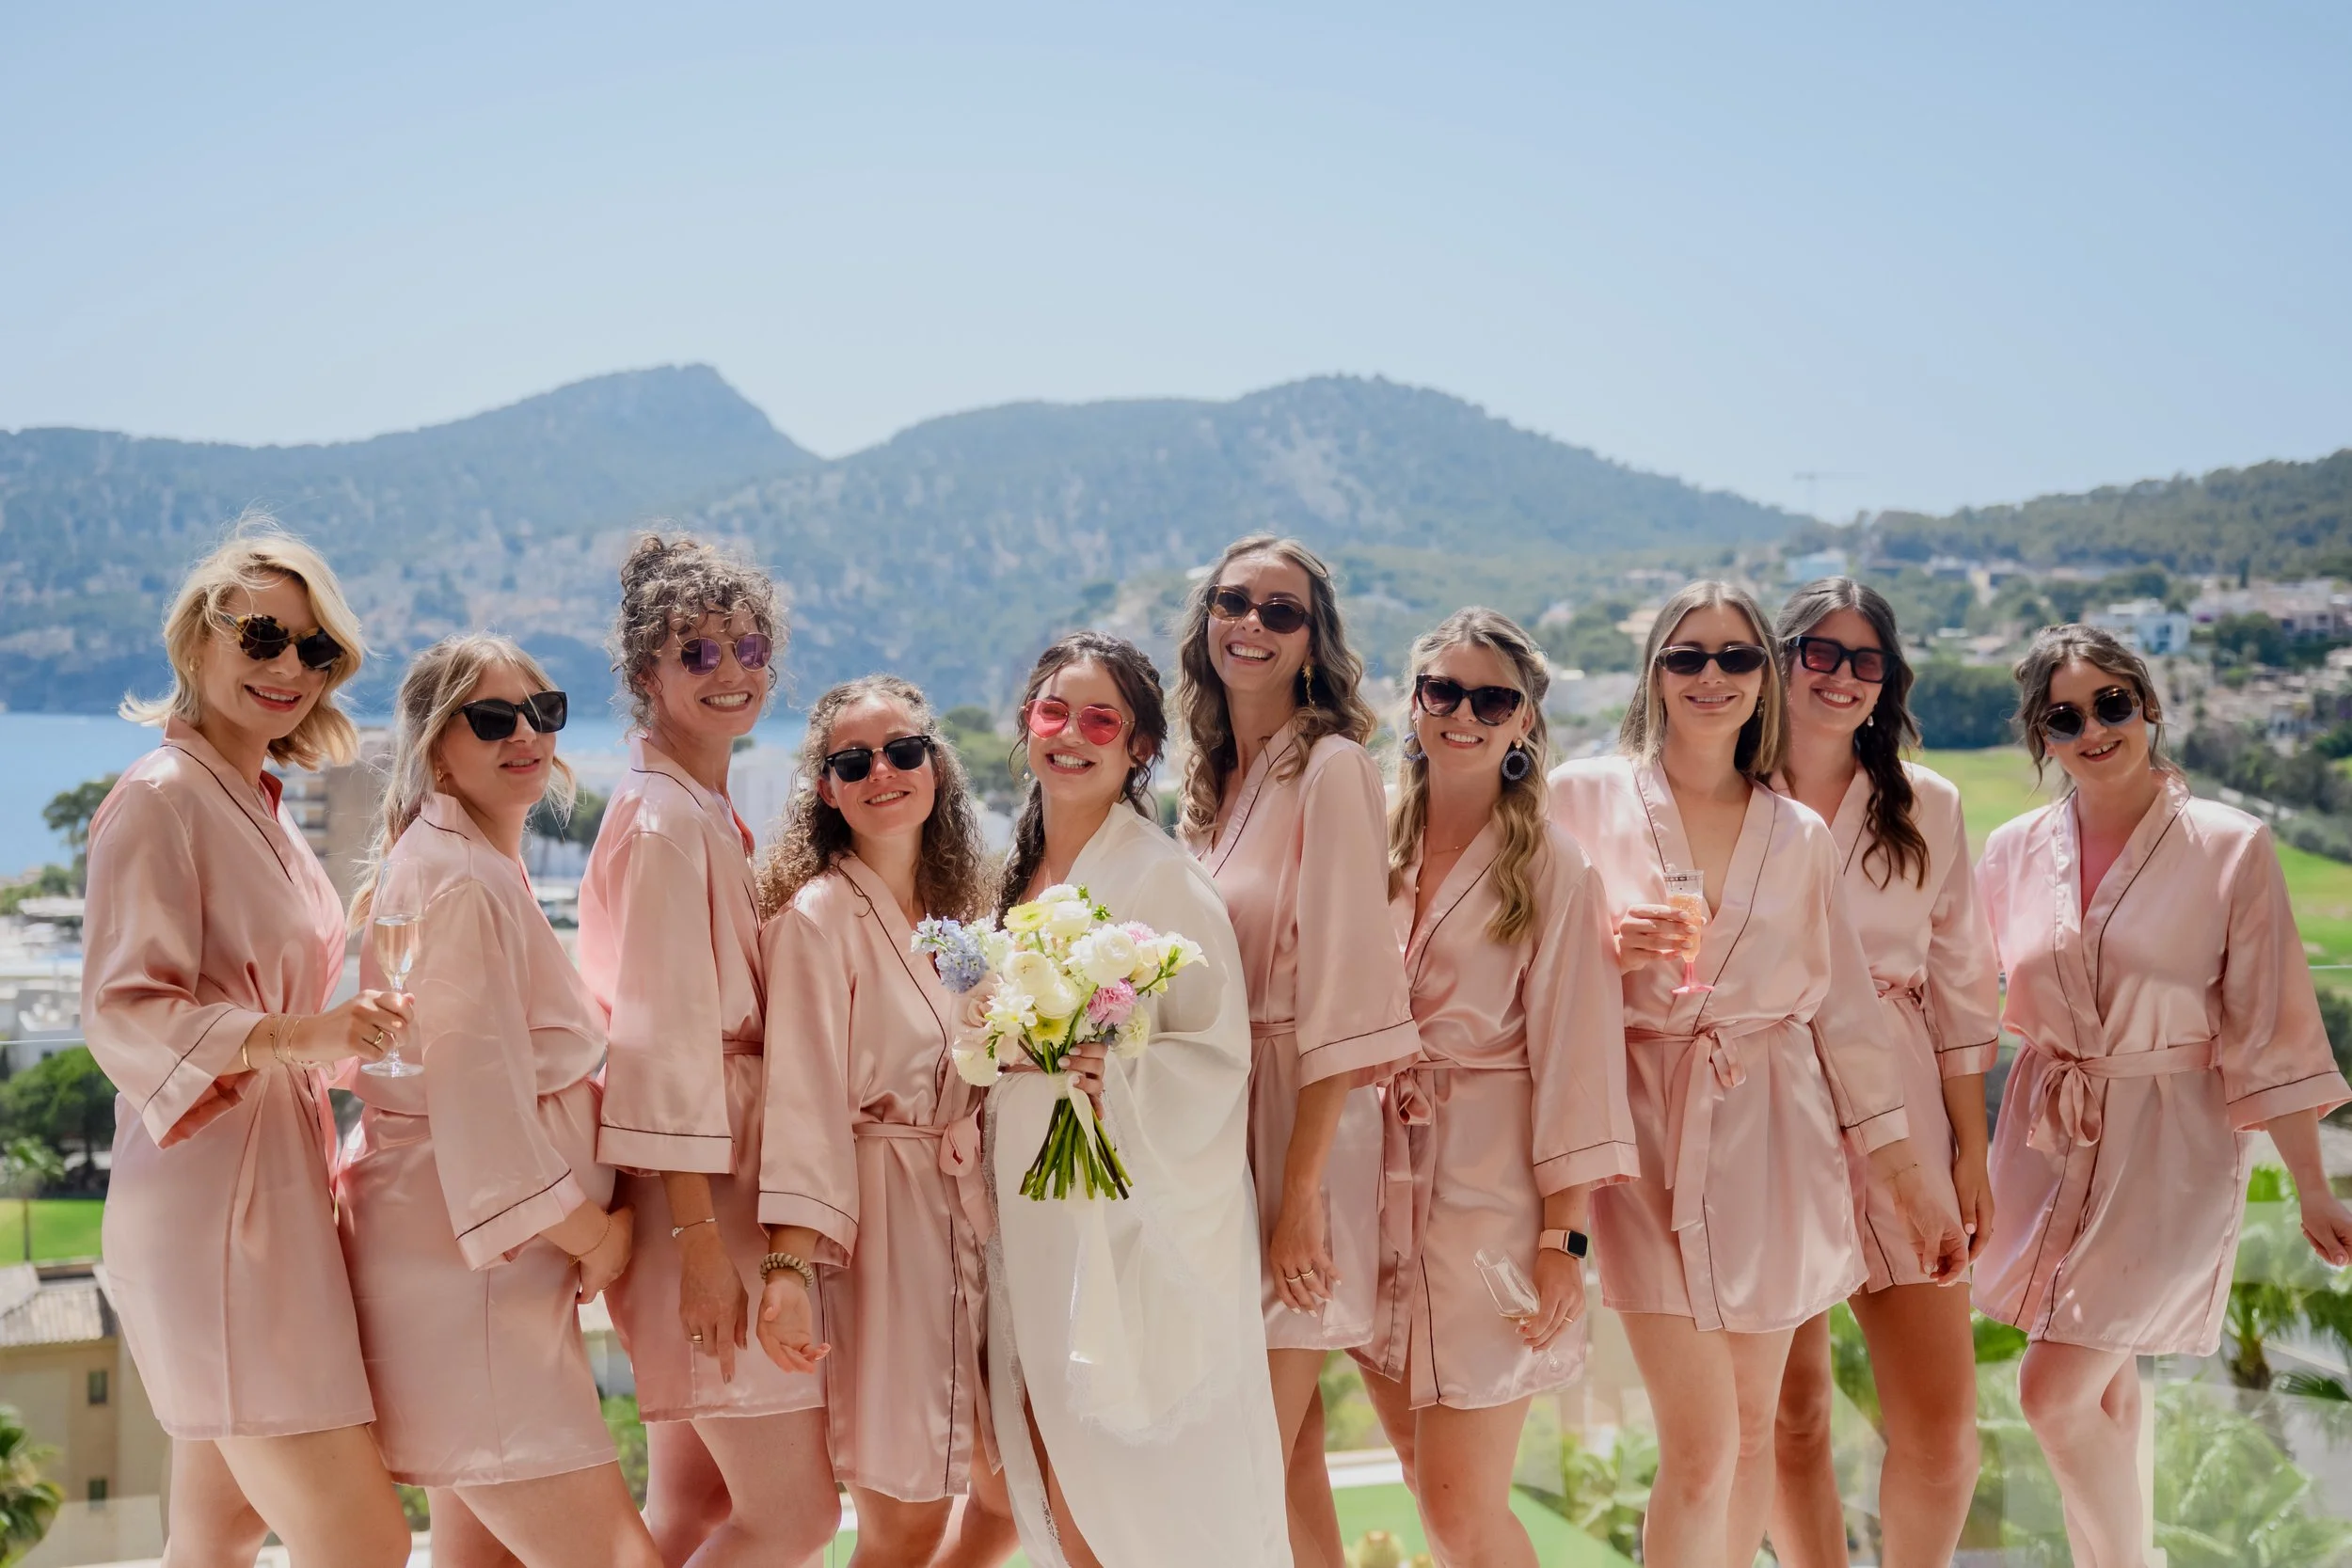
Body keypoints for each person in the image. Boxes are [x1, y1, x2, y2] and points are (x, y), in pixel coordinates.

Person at [1548, 579, 1965, 1568]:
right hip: (1649, 1134)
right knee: (1701, 1449)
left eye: (1735, 656)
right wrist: (1604, 945)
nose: (1712, 675)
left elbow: (1846, 1015)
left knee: (1745, 1434)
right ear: (1654, 671)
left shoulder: (1798, 835)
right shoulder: (1581, 795)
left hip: (1777, 1137)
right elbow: (1518, 946)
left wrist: (1912, 1181)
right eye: (1687, 655)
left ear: (1760, 679)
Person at [1974, 624, 2352, 1568]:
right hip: (2047, 1137)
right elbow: (1957, 989)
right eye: (2064, 716)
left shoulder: (2229, 845)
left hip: (2171, 1147)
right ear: (2041, 736)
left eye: (2111, 703)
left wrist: (2312, 1185)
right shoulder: (2013, 851)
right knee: (2103, 1390)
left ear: (2147, 704)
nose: (2094, 728)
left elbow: (2272, 1029)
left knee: (2049, 1394)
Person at [83, 521, 413, 1567]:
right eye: (262, 636)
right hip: (216, 1206)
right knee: (363, 1543)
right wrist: (302, 1033)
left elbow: (275, 993)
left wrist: (349, 1024)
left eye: (316, 648)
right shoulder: (162, 797)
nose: (289, 666)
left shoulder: (256, 802)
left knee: (215, 1534)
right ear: (198, 639)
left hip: (269, 1190)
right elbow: (122, 1008)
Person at [336, 635, 656, 1567]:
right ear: (438, 750)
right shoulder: (461, 877)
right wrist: (595, 1236)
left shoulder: (463, 859)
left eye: (542, 711)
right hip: (472, 1278)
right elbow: (479, 1103)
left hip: (470, 1263)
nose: (525, 734)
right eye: (491, 718)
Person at [983, 631, 1289, 1568]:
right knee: (1067, 1469)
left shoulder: (1161, 876)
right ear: (1028, 724)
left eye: (1100, 719)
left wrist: (1111, 1071)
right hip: (1034, 1210)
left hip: (1130, 1224)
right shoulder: (1013, 873)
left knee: (1143, 1474)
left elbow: (1216, 1056)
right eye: (1053, 712)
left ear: (1140, 746)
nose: (1071, 734)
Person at [578, 534, 838, 1566]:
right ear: (647, 671)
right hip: (705, 1197)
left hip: (710, 1181)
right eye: (697, 652)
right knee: (796, 1516)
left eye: (749, 646)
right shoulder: (666, 825)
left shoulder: (695, 808)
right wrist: (699, 1250)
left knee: (691, 1507)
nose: (732, 670)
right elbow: (662, 1048)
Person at [1359, 610, 1638, 1568]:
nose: (1463, 714)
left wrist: (1563, 1241)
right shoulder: (1368, 839)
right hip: (1370, 1192)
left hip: (1490, 1206)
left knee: (1458, 1512)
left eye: (1491, 699)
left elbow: (1577, 1059)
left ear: (1524, 719)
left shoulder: (1552, 866)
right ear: (1414, 702)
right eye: (1443, 691)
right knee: (1417, 1469)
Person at [1173, 537, 1420, 1568]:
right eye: (1234, 602)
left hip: (1301, 1128)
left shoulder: (1333, 768)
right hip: (1222, 1124)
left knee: (1240, 1462)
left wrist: (1302, 1193)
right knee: (1290, 1461)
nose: (1253, 624)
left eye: (1283, 611)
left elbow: (1348, 992)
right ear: (1206, 621)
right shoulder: (1212, 783)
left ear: (1314, 642)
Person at [1764, 579, 2002, 1568]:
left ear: (1887, 679)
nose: (1842, 675)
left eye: (1866, 659)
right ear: (1779, 660)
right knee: (1792, 1414)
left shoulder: (1928, 802)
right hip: (1766, 1094)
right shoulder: (1724, 792)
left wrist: (1970, 1152)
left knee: (1943, 1435)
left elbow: (1961, 990)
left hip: (1904, 1102)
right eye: (1819, 651)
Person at [754, 675, 1017, 1566]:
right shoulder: (817, 919)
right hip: (882, 1232)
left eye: (903, 751)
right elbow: (803, 1100)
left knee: (1011, 1493)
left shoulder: (959, 916)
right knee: (905, 1519)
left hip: (974, 1217)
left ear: (935, 766)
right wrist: (789, 1267)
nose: (882, 773)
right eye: (853, 761)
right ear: (827, 789)